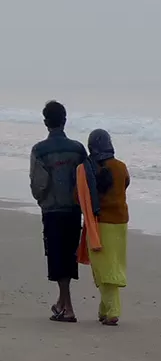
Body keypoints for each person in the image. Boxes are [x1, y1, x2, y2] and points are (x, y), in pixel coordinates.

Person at [30, 101, 98, 323]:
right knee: (68, 255)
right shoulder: (77, 149)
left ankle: (68, 307)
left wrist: (43, 201)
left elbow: (38, 184)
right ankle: (61, 302)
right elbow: (88, 178)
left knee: (57, 257)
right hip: (73, 209)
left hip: (52, 209)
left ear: (45, 122)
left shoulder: (39, 150)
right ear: (65, 120)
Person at [83, 130, 130, 326]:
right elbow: (126, 184)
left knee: (103, 267)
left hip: (100, 223)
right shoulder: (120, 167)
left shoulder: (89, 169)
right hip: (121, 221)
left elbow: (81, 196)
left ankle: (113, 311)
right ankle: (103, 309)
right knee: (113, 263)